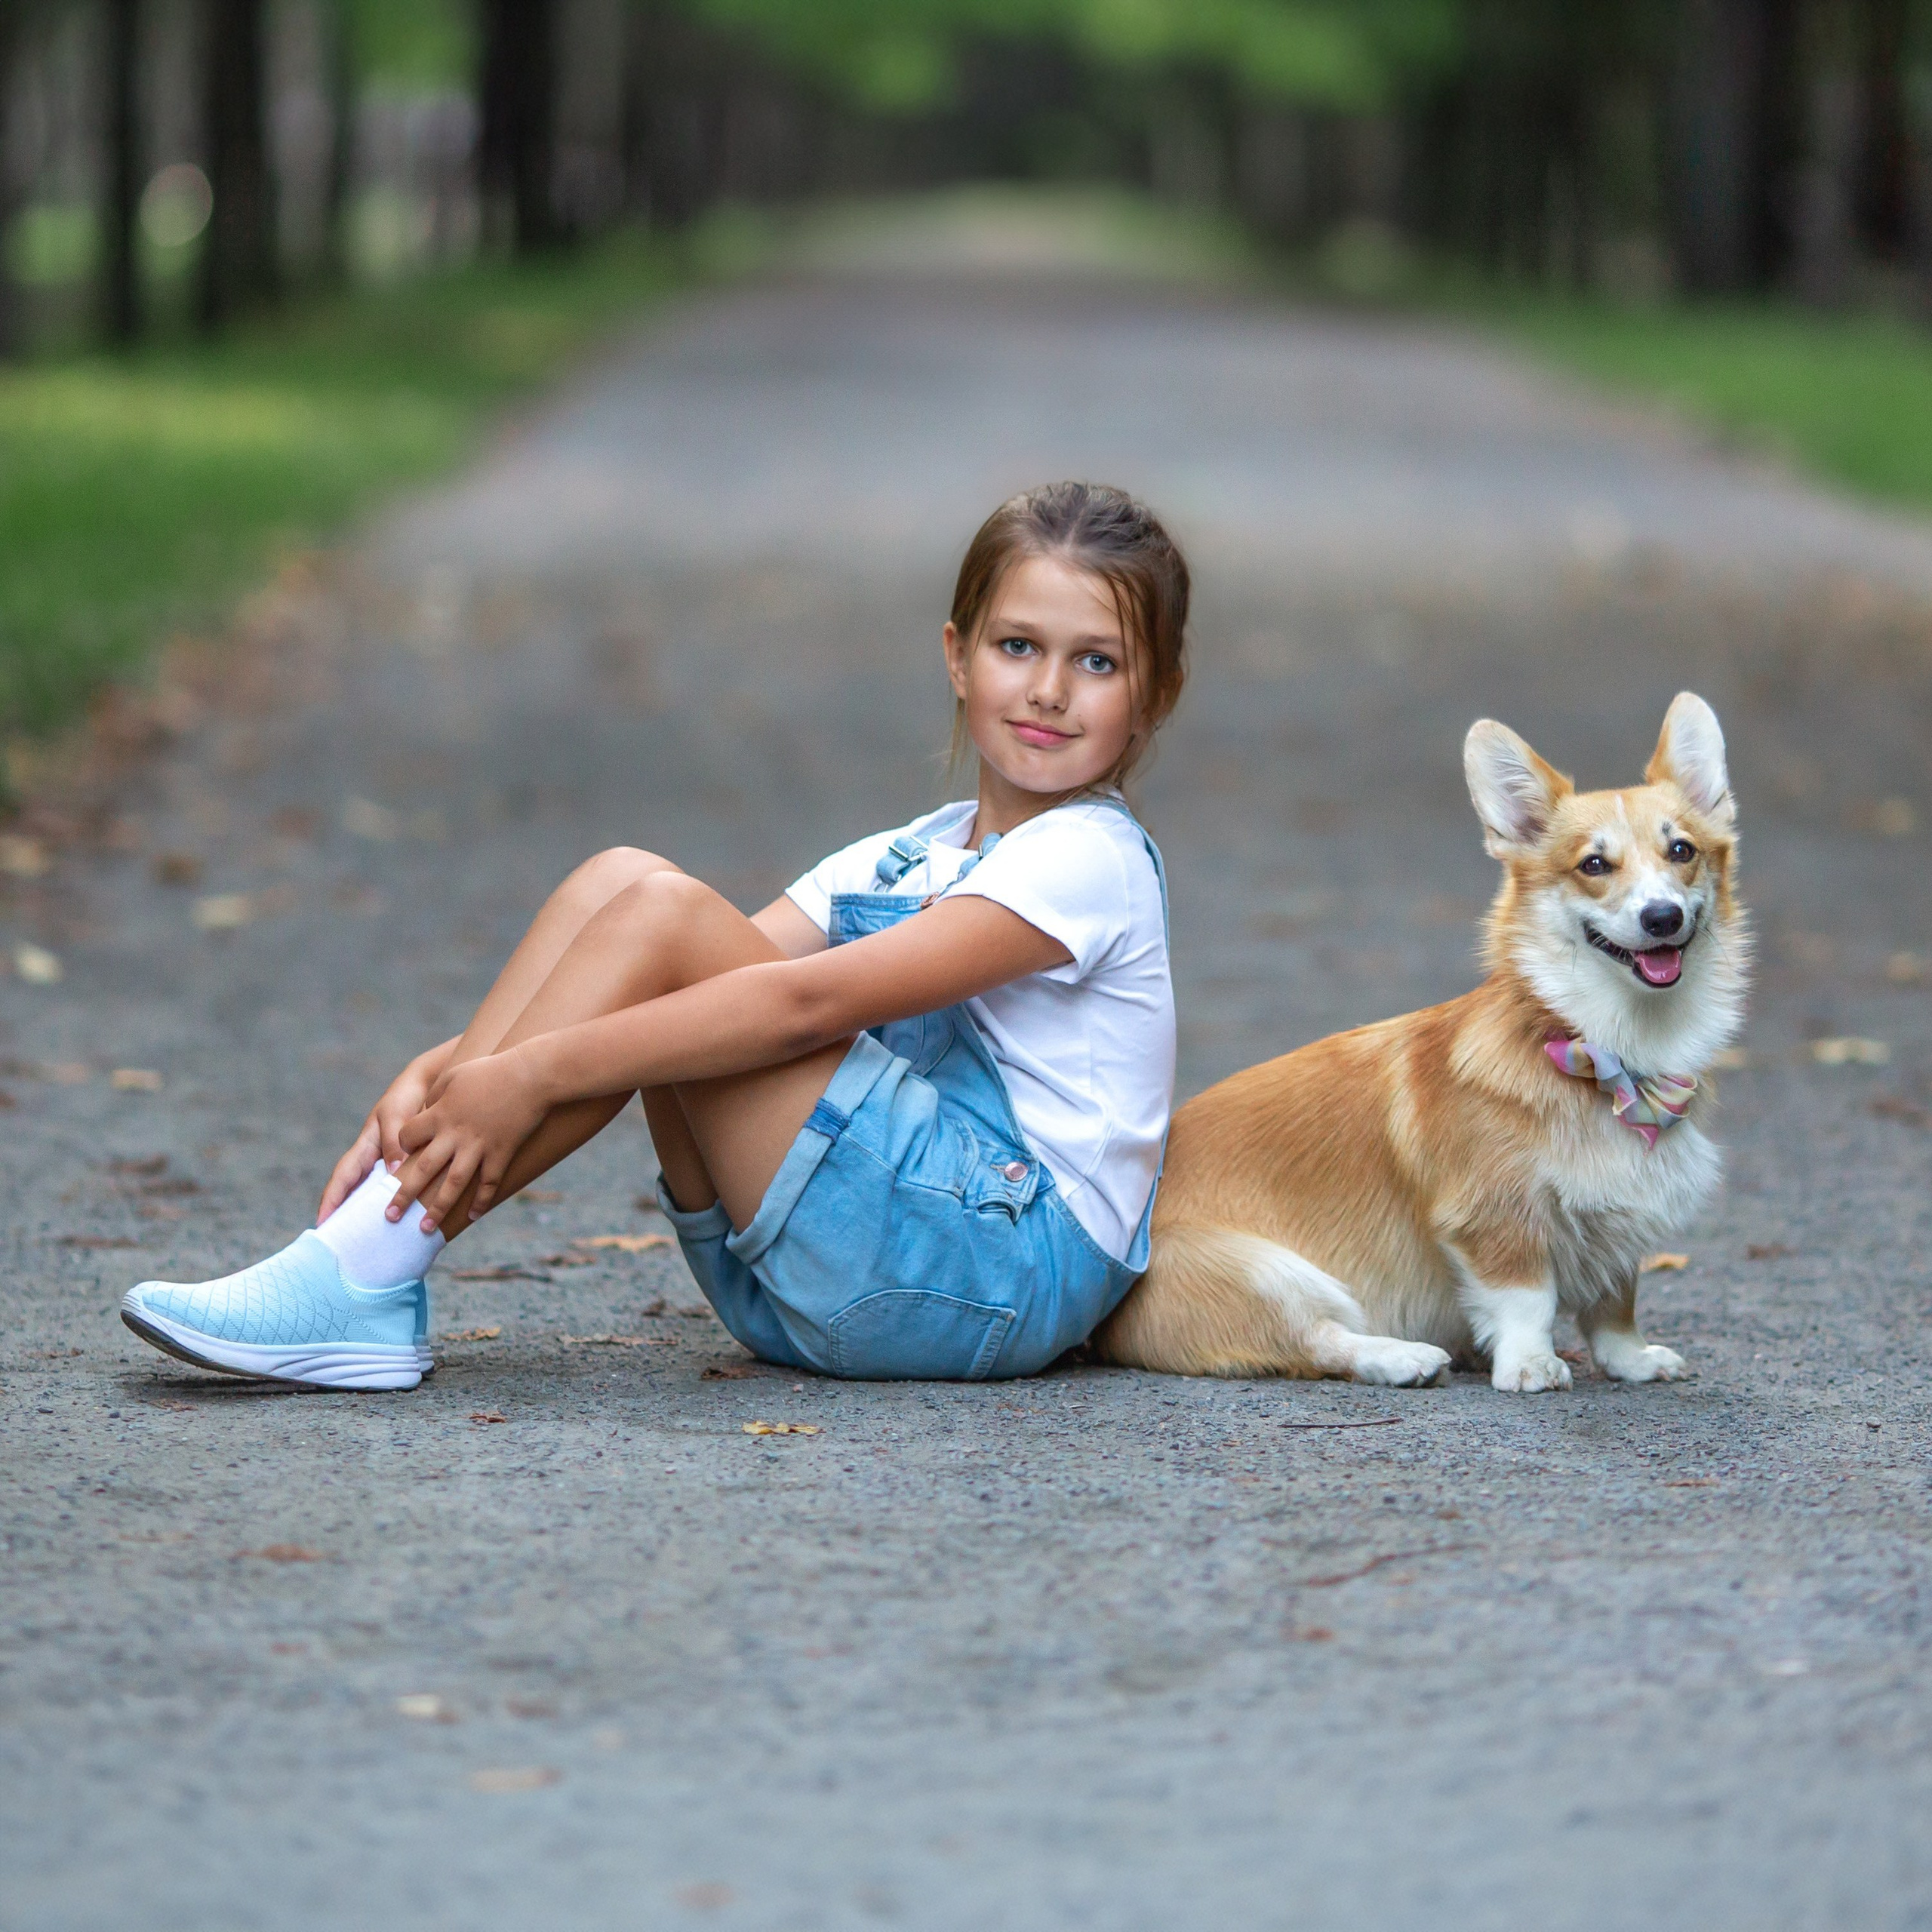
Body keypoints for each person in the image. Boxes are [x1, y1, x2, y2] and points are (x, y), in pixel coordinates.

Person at [121, 481, 1188, 1389]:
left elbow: (801, 1004)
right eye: (1018, 647)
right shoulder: (914, 853)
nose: (1049, 689)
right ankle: (365, 1268)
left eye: (1097, 663)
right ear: (959, 659)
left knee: (665, 917)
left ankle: (366, 1267)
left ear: (1154, 696)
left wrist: (527, 1076)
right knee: (623, 884)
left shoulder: (1090, 858)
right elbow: (675, 972)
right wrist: (447, 1071)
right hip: (865, 1257)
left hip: (991, 1274)